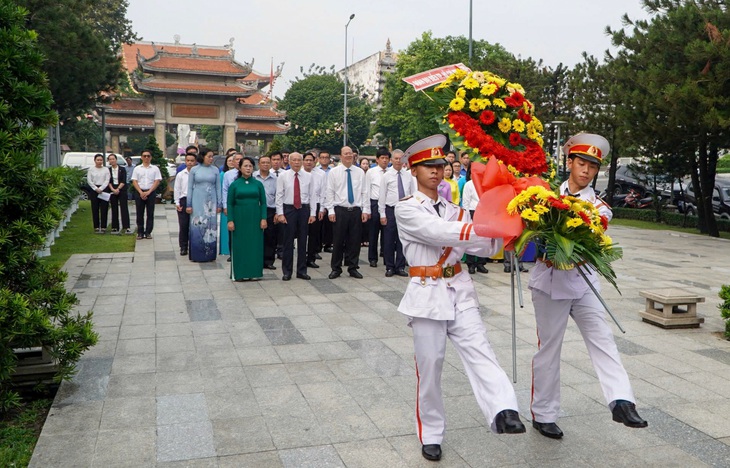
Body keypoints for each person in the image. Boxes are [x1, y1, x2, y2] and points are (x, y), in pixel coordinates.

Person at [395, 135, 525, 461]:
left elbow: (484, 247)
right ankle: (431, 433)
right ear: (414, 170)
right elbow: (439, 232)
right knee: (431, 367)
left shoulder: (456, 210)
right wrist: (490, 225)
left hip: (460, 290)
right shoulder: (407, 209)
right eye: (429, 166)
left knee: (481, 351)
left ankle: (504, 410)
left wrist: (512, 227)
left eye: (440, 165)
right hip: (426, 295)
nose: (437, 172)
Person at [529, 133, 647, 440]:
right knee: (548, 350)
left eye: (592, 166)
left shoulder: (600, 207)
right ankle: (543, 414)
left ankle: (621, 401)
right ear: (569, 162)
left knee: (602, 339)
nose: (586, 171)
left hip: (583, 283)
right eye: (581, 163)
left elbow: (590, 230)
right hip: (549, 283)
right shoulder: (543, 195)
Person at [325, 146, 370, 279]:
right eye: (346, 154)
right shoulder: (334, 172)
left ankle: (353, 267)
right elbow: (329, 192)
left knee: (355, 241)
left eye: (350, 154)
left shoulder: (360, 172)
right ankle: (336, 268)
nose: (349, 156)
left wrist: (365, 210)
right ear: (341, 156)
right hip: (340, 210)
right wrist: (331, 210)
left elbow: (364, 192)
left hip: (356, 210)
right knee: (338, 240)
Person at [275, 152, 317, 281]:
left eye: (299, 160)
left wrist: (313, 213)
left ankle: (301, 271)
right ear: (289, 161)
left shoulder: (309, 176)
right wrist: (280, 213)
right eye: (294, 160)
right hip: (289, 209)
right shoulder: (283, 176)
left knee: (303, 241)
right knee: (288, 242)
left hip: (303, 210)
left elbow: (313, 196)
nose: (297, 162)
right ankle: (287, 271)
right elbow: (279, 195)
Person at [228, 156, 267, 281]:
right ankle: (239, 273)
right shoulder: (234, 185)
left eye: (250, 166)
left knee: (254, 245)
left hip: (255, 217)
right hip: (239, 217)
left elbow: (264, 203)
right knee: (240, 245)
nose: (248, 168)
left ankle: (253, 272)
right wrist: (230, 220)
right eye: (245, 166)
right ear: (239, 167)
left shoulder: (258, 184)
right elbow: (230, 203)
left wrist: (263, 218)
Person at [379, 149, 413, 277]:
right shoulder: (386, 176)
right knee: (388, 239)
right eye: (396, 158)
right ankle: (389, 266)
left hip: (405, 210)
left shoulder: (408, 175)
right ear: (391, 160)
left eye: (401, 158)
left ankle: (400, 266)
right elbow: (382, 196)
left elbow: (412, 193)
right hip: (391, 210)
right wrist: (382, 214)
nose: (398, 161)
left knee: (402, 239)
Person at [186, 148, 222, 262]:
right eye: (209, 156)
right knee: (197, 225)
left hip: (211, 202)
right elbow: (190, 188)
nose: (211, 159)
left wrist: (219, 204)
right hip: (197, 202)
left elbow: (218, 188)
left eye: (212, 156)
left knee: (210, 227)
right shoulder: (194, 170)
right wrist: (189, 204)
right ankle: (197, 254)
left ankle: (210, 254)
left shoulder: (215, 170)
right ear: (203, 156)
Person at [365, 147, 391, 267]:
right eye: (382, 158)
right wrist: (367, 209)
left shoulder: (391, 172)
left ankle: (386, 256)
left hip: (387, 204)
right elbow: (367, 190)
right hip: (374, 203)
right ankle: (372, 258)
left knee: (387, 232)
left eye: (387, 158)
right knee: (373, 232)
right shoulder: (371, 172)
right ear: (377, 159)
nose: (385, 160)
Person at [461, 168, 489, 275]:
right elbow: (466, 201)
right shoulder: (469, 184)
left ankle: (481, 263)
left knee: (484, 238)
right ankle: (471, 264)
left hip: (484, 212)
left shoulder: (485, 184)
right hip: (473, 211)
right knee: (472, 237)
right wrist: (467, 216)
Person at [254, 154, 278, 270]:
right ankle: (256, 259)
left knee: (270, 236)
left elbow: (279, 196)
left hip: (270, 209)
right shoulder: (253, 177)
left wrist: (278, 212)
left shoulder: (275, 179)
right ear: (259, 164)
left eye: (267, 163)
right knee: (256, 235)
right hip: (255, 209)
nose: (265, 164)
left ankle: (268, 261)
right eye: (262, 162)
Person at [132, 149, 162, 240]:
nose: (146, 158)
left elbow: (157, 181)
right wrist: (141, 192)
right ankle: (140, 232)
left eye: (148, 156)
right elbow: (134, 181)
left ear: (151, 157)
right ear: (141, 157)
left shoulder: (155, 168)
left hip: (151, 192)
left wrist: (149, 192)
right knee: (139, 213)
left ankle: (148, 232)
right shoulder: (137, 168)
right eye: (144, 156)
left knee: (150, 213)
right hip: (139, 192)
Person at [303, 151, 325, 269]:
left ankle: (310, 258)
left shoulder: (321, 174)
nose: (308, 162)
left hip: (316, 206)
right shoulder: (299, 173)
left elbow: (323, 193)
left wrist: (322, 209)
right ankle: (301, 257)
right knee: (301, 234)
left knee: (313, 234)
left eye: (311, 160)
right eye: (306, 160)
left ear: (315, 161)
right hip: (302, 206)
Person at [221, 152, 243, 259]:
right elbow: (225, 191)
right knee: (232, 229)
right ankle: (232, 253)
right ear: (233, 162)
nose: (239, 161)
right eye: (237, 159)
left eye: (241, 159)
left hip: (244, 206)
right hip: (232, 205)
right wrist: (225, 206)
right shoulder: (228, 174)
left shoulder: (250, 173)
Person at [174, 153, 196, 256]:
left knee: (195, 225)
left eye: (192, 161)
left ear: (195, 162)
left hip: (196, 200)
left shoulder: (197, 174)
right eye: (188, 160)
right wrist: (177, 202)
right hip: (184, 199)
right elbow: (177, 189)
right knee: (183, 225)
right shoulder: (181, 174)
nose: (190, 163)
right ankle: (183, 247)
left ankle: (194, 246)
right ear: (185, 161)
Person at [106, 154, 130, 234]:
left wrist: (118, 189)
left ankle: (126, 226)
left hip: (121, 189)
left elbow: (123, 180)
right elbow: (108, 181)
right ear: (108, 161)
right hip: (112, 189)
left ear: (116, 160)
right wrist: (113, 189)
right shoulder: (108, 170)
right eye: (110, 159)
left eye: (113, 159)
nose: (112, 160)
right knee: (114, 208)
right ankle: (115, 227)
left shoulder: (122, 169)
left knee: (124, 208)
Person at [87, 153, 110, 233]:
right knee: (95, 208)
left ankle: (103, 226)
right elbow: (89, 181)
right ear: (95, 161)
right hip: (94, 190)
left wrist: (101, 188)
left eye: (101, 160)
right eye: (98, 160)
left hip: (104, 189)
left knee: (104, 208)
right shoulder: (91, 169)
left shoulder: (106, 169)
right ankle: (96, 226)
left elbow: (107, 180)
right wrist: (96, 188)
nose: (99, 161)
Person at [317, 150, 334, 253]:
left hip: (330, 200)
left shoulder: (333, 171)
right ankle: (317, 246)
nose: (324, 159)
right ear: (319, 159)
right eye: (322, 157)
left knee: (329, 225)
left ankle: (328, 244)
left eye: (326, 157)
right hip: (319, 200)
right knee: (319, 225)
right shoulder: (316, 171)